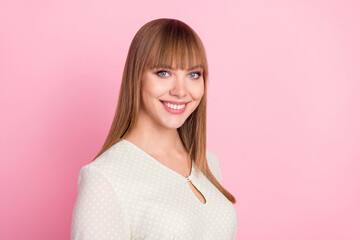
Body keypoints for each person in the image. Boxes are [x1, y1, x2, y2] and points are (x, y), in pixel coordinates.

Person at [70, 18, 238, 239]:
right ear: (136, 77)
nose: (180, 91)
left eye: (193, 74)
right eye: (163, 73)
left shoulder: (207, 162)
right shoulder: (105, 178)